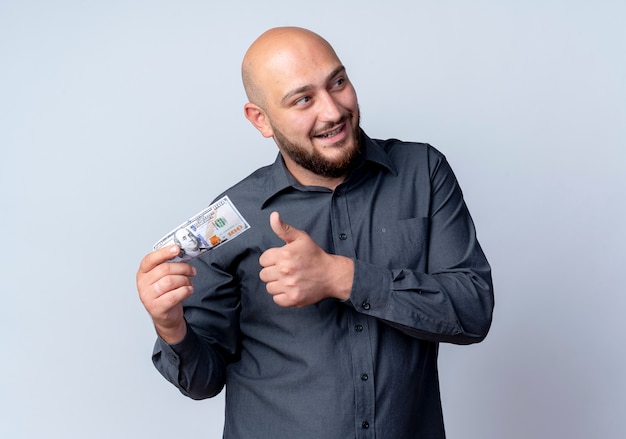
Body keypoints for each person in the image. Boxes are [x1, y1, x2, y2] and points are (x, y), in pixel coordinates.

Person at [137, 26, 494, 438]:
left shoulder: (423, 173)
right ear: (261, 120)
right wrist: (171, 328)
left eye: (338, 82)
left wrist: (341, 277)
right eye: (303, 99)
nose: (333, 111)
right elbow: (203, 381)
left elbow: (473, 313)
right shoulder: (233, 218)